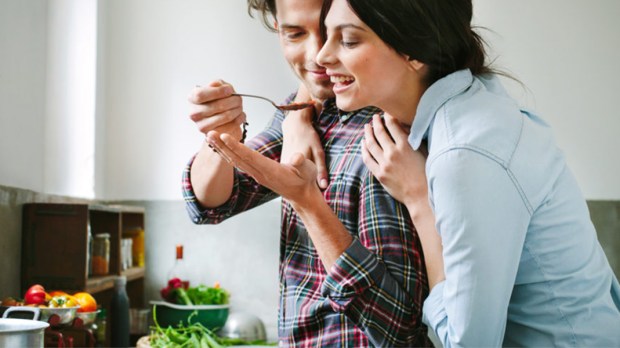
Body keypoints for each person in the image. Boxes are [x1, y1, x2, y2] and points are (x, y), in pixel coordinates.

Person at [210, 0, 620, 346]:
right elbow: (208, 201)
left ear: (414, 50)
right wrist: (296, 116)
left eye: (348, 40)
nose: (321, 57)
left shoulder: (462, 152)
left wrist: (419, 200)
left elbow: (461, 341)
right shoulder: (476, 102)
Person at [183, 0, 432, 346]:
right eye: (295, 34)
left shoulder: (395, 129)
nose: (319, 55)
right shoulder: (303, 113)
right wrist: (221, 134)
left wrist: (306, 202)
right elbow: (211, 202)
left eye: (333, 33)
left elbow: (398, 328)